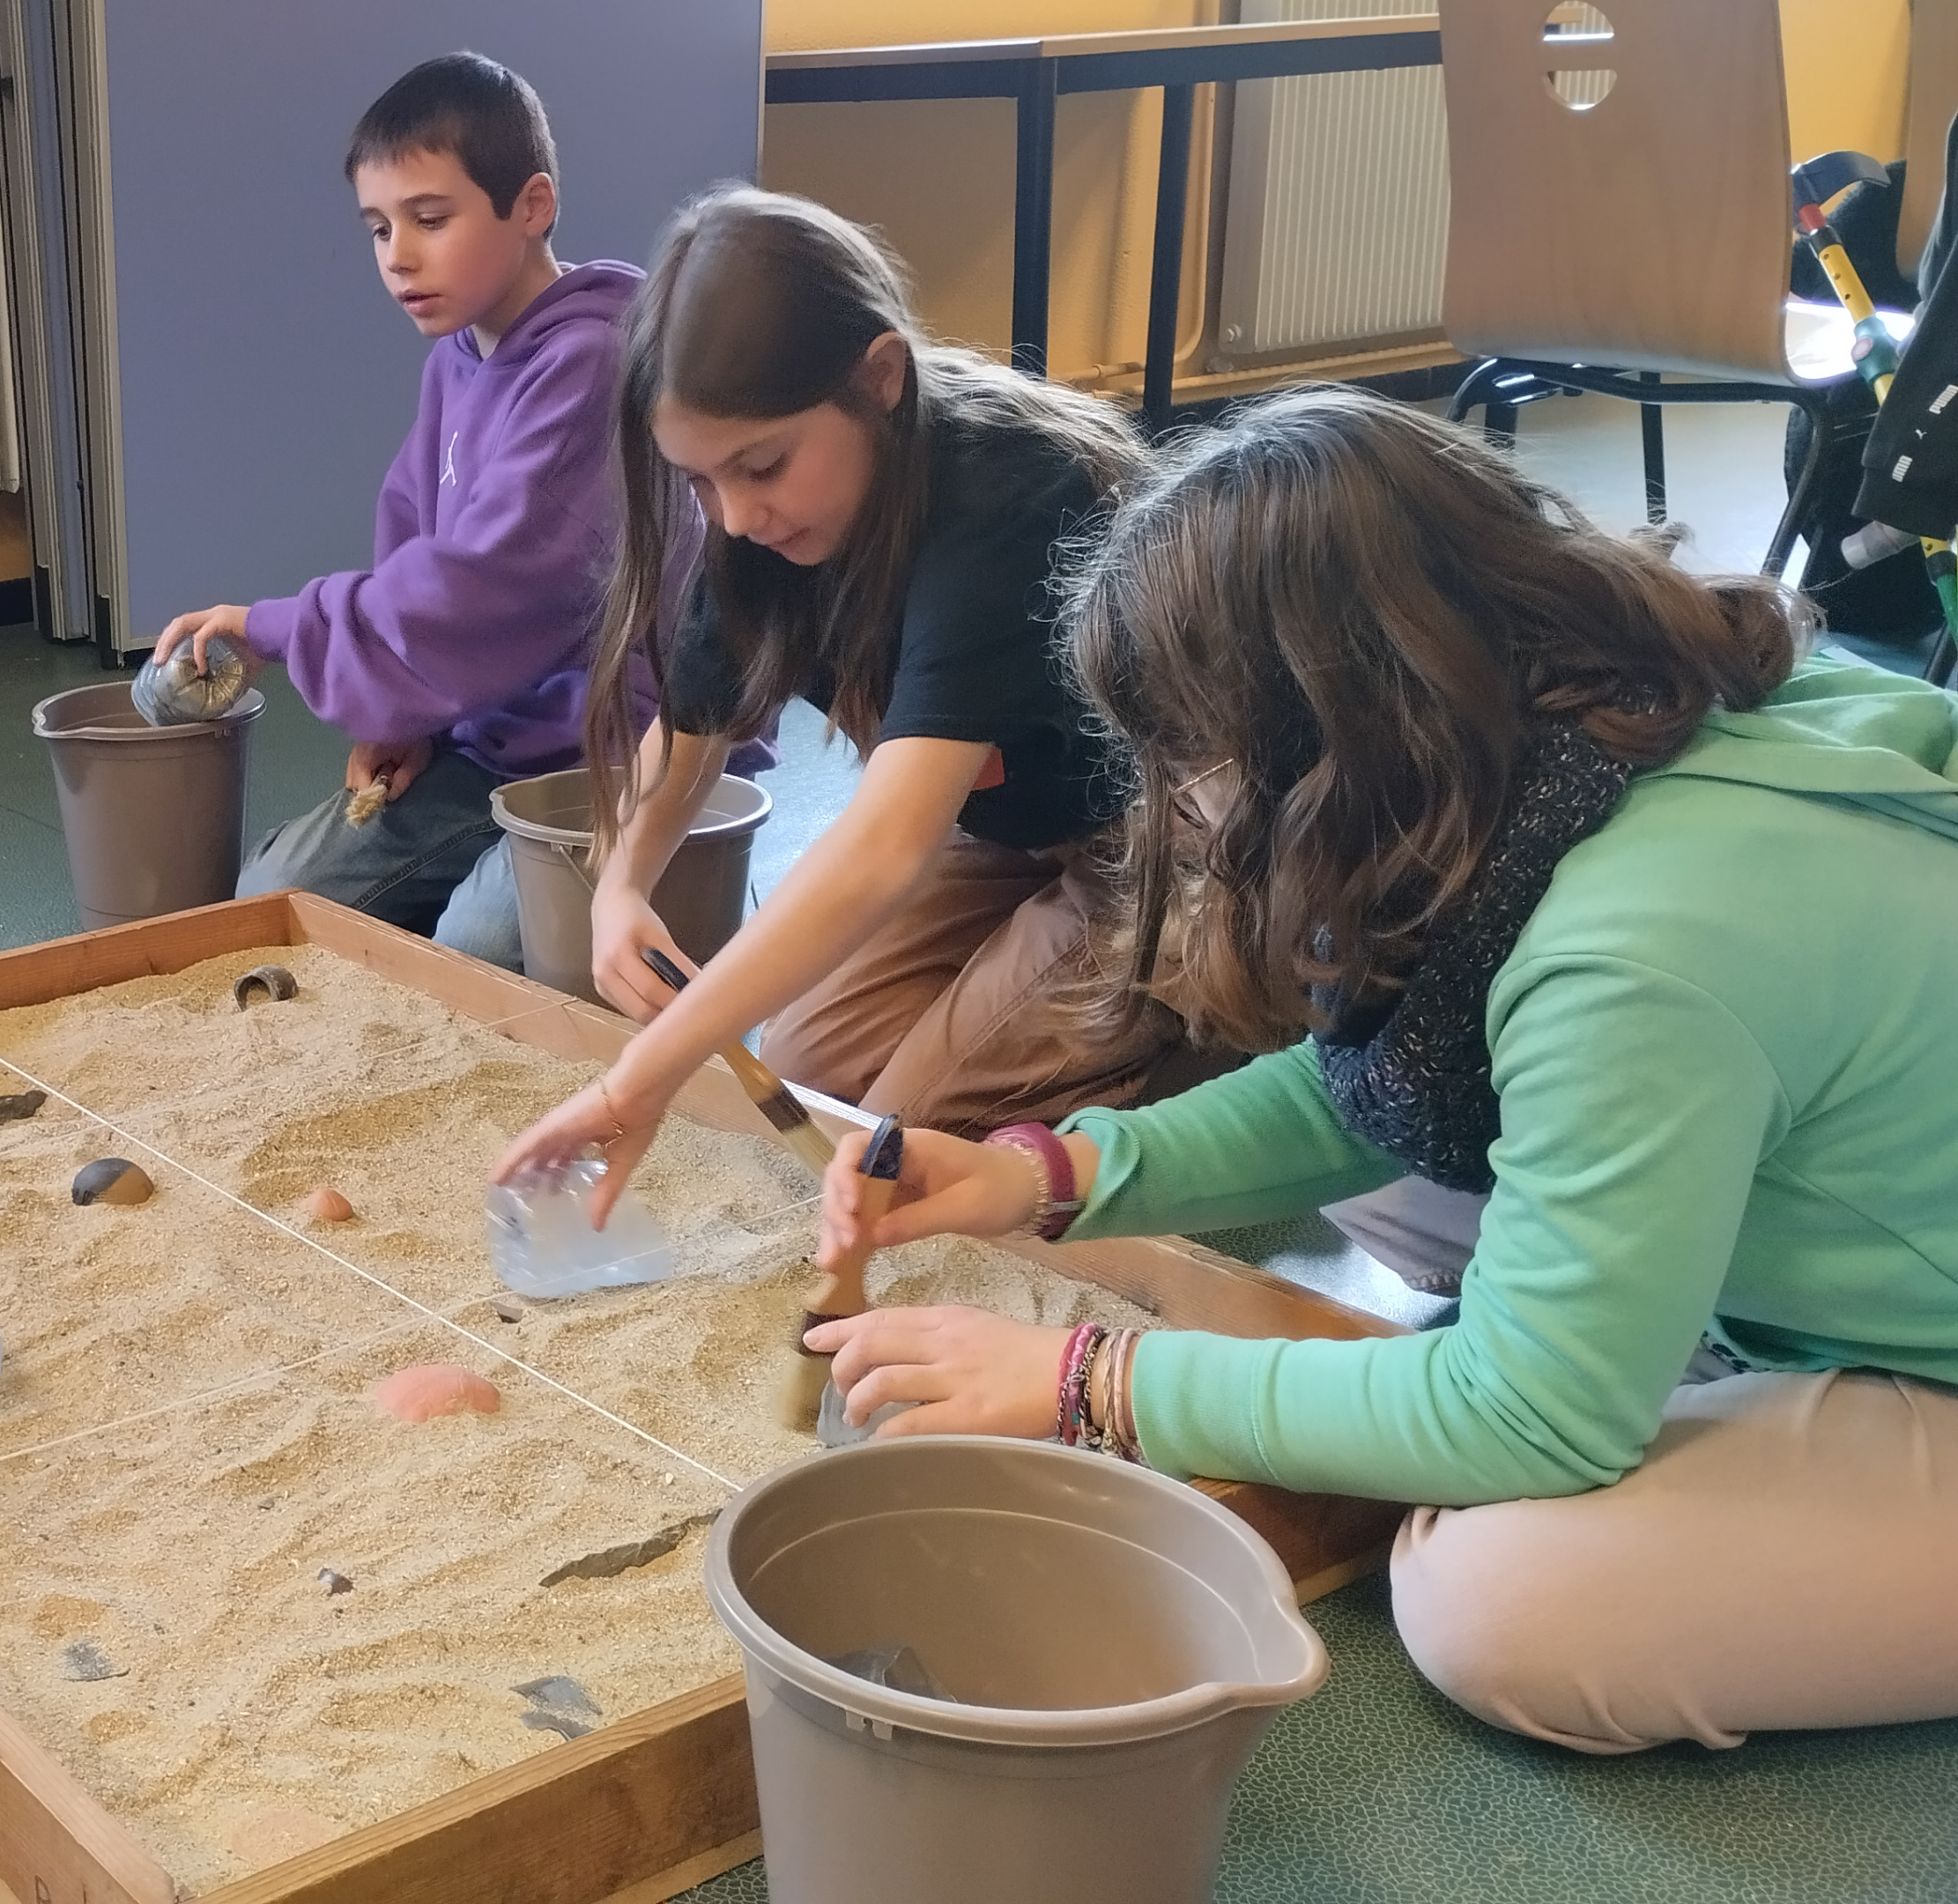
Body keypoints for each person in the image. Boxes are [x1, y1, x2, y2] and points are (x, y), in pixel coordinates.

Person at [808, 389, 1958, 1754]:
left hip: (1922, 1351)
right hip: (1856, 1203)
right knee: (1405, 1166)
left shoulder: (1636, 952)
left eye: (1195, 759)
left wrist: (1092, 1382)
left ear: (1327, 737)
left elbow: (1533, 1417)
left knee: (1498, 1606)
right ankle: (1707, 1365)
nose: (1182, 804)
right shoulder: (1581, 725)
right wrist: (1049, 1171)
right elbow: (1379, 1079)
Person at [494, 187, 1195, 1210]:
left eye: (761, 466)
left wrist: (643, 1072)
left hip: (1167, 839)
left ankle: (1219, 1026)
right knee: (811, 1075)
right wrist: (621, 885)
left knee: (912, 1136)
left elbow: (882, 849)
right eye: (700, 481)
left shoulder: (1007, 496)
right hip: (1011, 823)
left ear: (880, 380)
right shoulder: (761, 519)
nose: (735, 516)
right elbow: (686, 736)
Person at [152, 53, 723, 967]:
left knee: (481, 947)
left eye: (430, 219)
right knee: (274, 900)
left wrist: (275, 627)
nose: (398, 256)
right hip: (491, 744)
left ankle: (682, 897)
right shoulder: (458, 356)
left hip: (614, 760)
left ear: (532, 206)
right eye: (379, 228)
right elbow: (414, 537)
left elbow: (477, 588)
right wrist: (410, 717)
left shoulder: (590, 362)